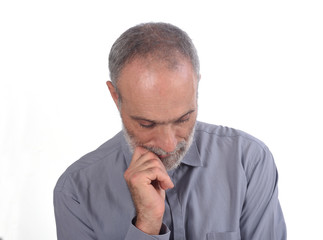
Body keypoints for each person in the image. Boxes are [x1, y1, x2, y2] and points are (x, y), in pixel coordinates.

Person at [54, 22, 286, 240]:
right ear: (116, 97)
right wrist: (146, 225)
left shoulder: (248, 161)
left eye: (183, 119)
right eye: (147, 124)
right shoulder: (76, 192)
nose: (168, 145)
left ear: (196, 87)